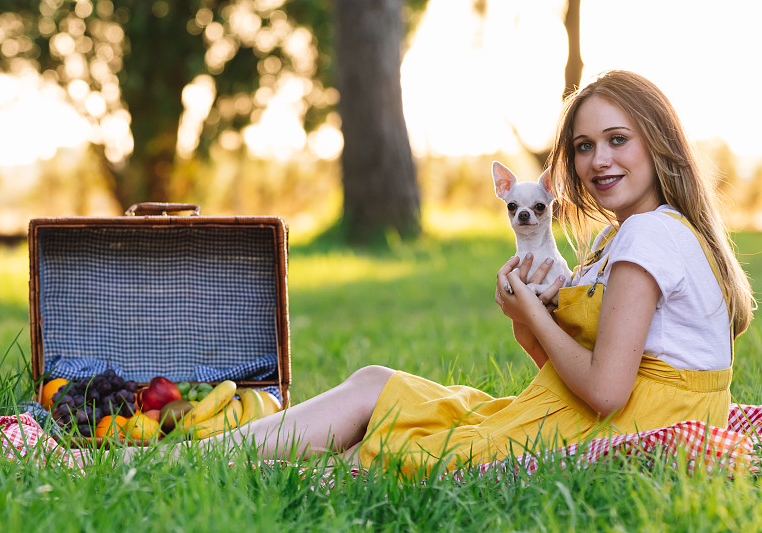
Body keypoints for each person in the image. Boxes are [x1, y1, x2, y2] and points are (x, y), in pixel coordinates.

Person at [158, 70, 756, 473]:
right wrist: (527, 321)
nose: (598, 160)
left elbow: (604, 391)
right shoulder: (624, 237)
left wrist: (532, 316)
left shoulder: (651, 235)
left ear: (658, 143)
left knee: (376, 451)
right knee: (373, 384)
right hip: (597, 414)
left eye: (617, 140)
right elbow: (574, 374)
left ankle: (175, 467)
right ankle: (179, 464)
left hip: (624, 428)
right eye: (582, 145)